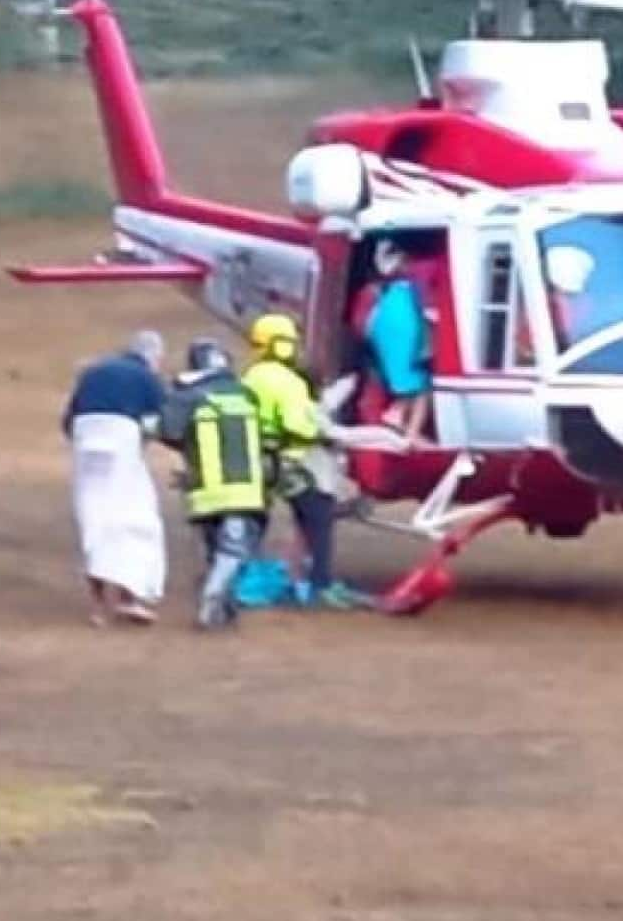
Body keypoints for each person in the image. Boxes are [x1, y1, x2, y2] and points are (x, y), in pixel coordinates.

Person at [243, 312, 367, 609]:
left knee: (274, 521)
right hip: (292, 460)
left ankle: (281, 575)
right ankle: (319, 583)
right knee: (319, 517)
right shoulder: (287, 382)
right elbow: (299, 424)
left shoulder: (251, 376)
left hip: (260, 457)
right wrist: (326, 435)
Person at [158, 337, 268, 631]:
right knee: (233, 551)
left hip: (203, 488)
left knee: (215, 549)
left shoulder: (187, 395)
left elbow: (168, 431)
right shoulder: (247, 394)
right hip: (244, 489)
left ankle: (224, 607)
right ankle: (212, 599)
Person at [61, 329, 168, 626]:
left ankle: (98, 606)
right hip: (121, 438)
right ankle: (129, 596)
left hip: (86, 438)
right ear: (153, 357)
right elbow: (164, 419)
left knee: (94, 518)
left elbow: (69, 420)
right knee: (134, 516)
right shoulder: (146, 376)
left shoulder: (93, 372)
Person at [351, 240, 436, 443]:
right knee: (422, 387)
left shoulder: (384, 293)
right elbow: (424, 316)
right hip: (403, 336)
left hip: (390, 337)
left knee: (413, 385)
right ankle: (406, 428)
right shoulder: (409, 287)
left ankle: (404, 423)